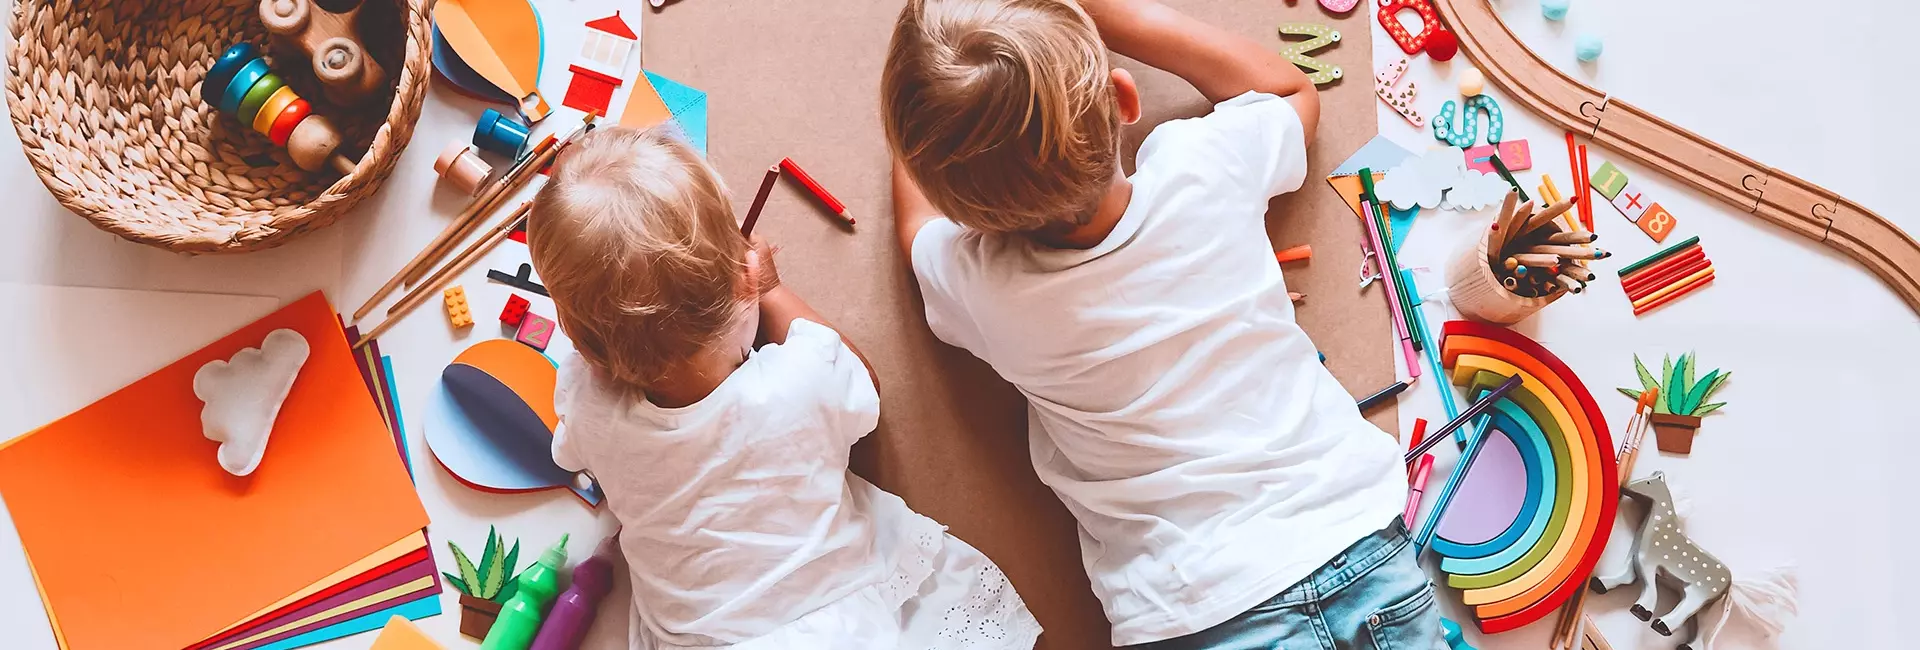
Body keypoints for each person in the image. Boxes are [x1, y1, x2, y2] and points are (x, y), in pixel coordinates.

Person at [881, 0, 1439, 647]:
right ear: (1124, 97)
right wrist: (1095, 13)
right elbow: (1289, 89)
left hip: (1192, 606)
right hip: (1358, 542)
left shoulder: (981, 287)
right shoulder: (1205, 165)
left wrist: (930, 109)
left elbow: (915, 226)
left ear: (962, 207)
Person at [529, 126, 1041, 649]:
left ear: (583, 347)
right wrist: (772, 291)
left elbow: (572, 452)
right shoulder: (799, 380)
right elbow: (864, 384)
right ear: (744, 279)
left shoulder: (588, 406)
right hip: (836, 627)